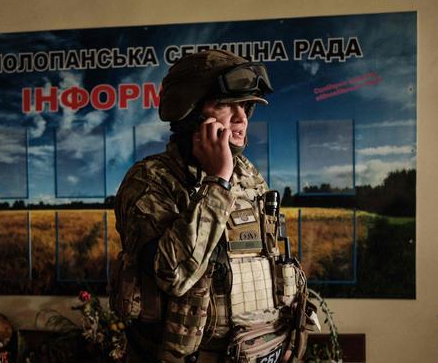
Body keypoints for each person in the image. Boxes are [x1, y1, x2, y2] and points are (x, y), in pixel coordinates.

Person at [110, 50, 315, 363]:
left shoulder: (248, 174)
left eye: (245, 105)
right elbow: (173, 273)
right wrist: (218, 182)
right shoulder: (150, 180)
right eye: (224, 105)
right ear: (189, 111)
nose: (241, 118)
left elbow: (268, 258)